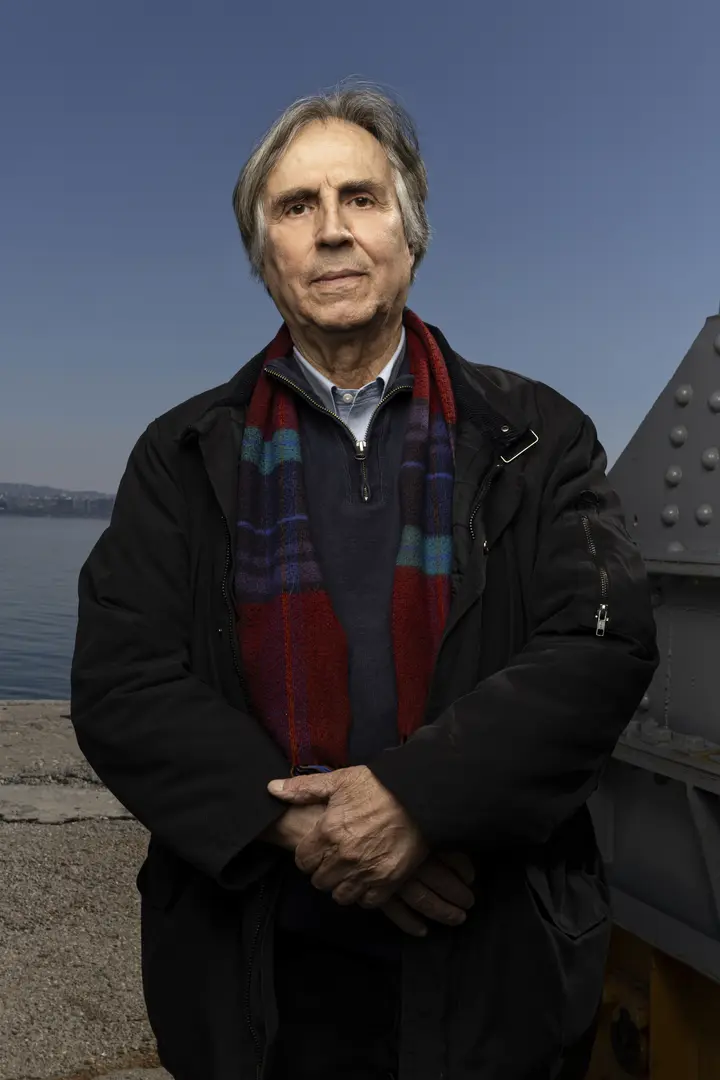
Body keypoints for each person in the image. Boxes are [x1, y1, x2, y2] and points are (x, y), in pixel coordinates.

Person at [70, 85, 658, 1080]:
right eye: (297, 206)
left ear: (410, 235)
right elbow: (122, 678)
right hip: (253, 977)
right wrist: (302, 829)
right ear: (264, 254)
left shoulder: (535, 436)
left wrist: (415, 800)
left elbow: (602, 640)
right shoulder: (181, 453)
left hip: (490, 964)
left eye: (361, 198)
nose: (332, 230)